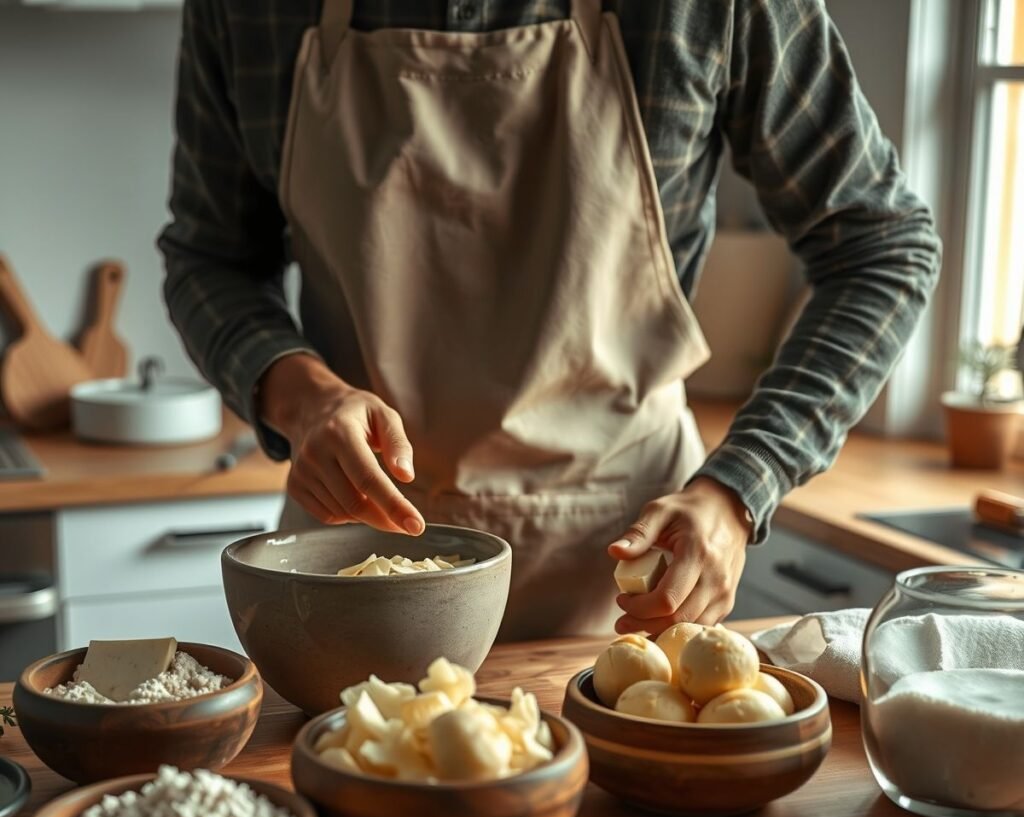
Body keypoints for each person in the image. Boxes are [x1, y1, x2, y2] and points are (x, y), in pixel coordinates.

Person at [159, 0, 940, 641]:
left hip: (630, 566)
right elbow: (209, 257)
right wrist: (307, 399)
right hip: (353, 572)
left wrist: (738, 489)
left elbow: (883, 246)